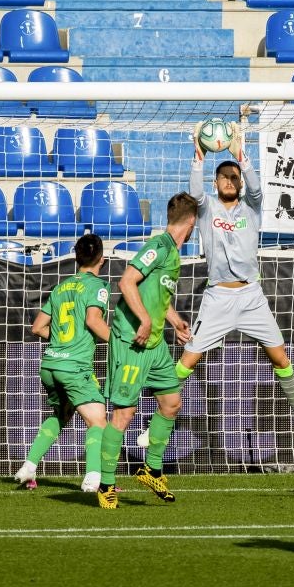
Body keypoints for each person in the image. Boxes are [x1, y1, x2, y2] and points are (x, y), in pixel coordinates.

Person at [165, 127, 294, 450]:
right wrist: (200, 153)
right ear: (215, 182)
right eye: (223, 176)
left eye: (233, 177)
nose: (229, 180)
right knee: (186, 362)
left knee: (281, 359)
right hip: (218, 296)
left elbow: (255, 186)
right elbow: (194, 192)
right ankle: (158, 424)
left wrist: (241, 156)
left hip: (251, 295)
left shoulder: (251, 209)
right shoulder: (206, 207)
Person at [103, 193, 197, 507]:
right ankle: (106, 484)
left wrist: (173, 320)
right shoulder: (158, 246)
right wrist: (144, 319)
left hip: (154, 343)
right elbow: (127, 282)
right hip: (133, 340)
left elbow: (157, 295)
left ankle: (151, 468)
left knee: (171, 403)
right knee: (124, 414)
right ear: (192, 222)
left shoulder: (172, 251)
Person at [16, 233, 113, 497]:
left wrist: (59, 340)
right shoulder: (99, 287)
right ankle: (93, 479)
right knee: (98, 421)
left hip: (50, 365)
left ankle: (29, 465)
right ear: (102, 260)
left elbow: (37, 327)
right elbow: (94, 321)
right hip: (74, 366)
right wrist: (120, 343)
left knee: (62, 415)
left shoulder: (61, 287)